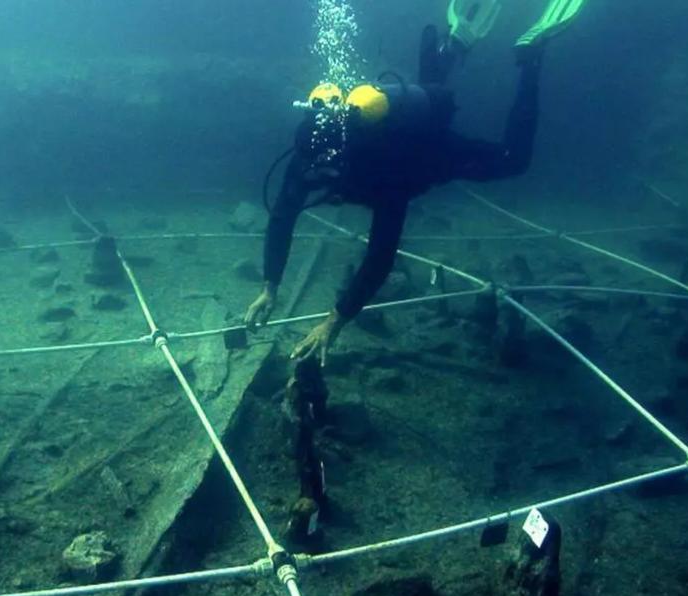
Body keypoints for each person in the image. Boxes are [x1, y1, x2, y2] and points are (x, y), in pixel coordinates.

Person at [245, 0, 586, 365]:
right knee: (431, 90)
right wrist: (270, 287)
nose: (317, 178)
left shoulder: (381, 171)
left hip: (429, 156)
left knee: (513, 161)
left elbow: (381, 256)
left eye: (326, 171)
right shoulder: (307, 155)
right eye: (314, 170)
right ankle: (454, 44)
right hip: (406, 134)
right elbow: (282, 216)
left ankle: (530, 57)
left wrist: (335, 321)